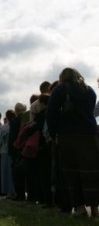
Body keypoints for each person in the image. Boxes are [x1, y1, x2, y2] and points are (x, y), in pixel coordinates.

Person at [46, 67, 99, 217]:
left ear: (62, 77)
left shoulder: (59, 90)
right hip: (89, 135)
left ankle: (80, 207)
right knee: (91, 171)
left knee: (72, 172)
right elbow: (90, 112)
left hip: (68, 136)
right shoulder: (89, 91)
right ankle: (95, 208)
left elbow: (51, 114)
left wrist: (53, 133)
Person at [0, 109, 15, 198]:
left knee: (6, 172)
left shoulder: (3, 127)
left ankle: (9, 192)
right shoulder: (17, 124)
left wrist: (1, 148)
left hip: (5, 151)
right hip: (17, 150)